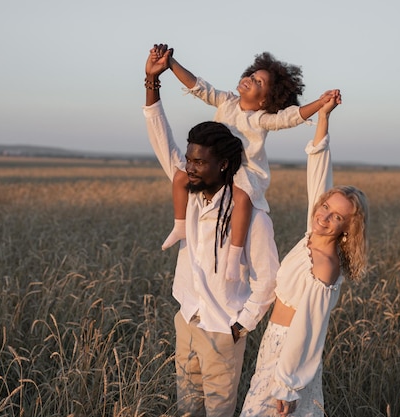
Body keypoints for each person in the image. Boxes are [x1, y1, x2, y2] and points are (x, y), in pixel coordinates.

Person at [144, 45, 280, 416]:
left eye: (198, 162)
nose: (189, 167)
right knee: (188, 409)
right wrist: (152, 82)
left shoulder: (250, 213)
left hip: (224, 330)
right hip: (187, 319)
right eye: (189, 159)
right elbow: (161, 140)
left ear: (222, 166)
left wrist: (240, 325)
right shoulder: (190, 196)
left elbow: (269, 280)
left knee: (218, 412)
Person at [158, 44, 337, 283]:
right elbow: (197, 86)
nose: (251, 80)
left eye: (259, 83)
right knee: (181, 176)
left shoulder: (262, 119)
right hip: (218, 166)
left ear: (265, 100)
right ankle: (180, 226)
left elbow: (291, 117)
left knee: (242, 198)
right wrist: (170, 63)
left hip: (246, 171)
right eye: (252, 76)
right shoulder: (226, 102)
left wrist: (320, 102)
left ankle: (234, 257)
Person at [239, 91, 370, 416]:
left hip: (290, 355)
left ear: (347, 229)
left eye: (336, 217)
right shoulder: (312, 235)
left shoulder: (324, 268)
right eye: (325, 206)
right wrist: (324, 117)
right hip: (273, 342)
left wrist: (287, 385)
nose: (324, 216)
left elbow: (309, 330)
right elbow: (318, 172)